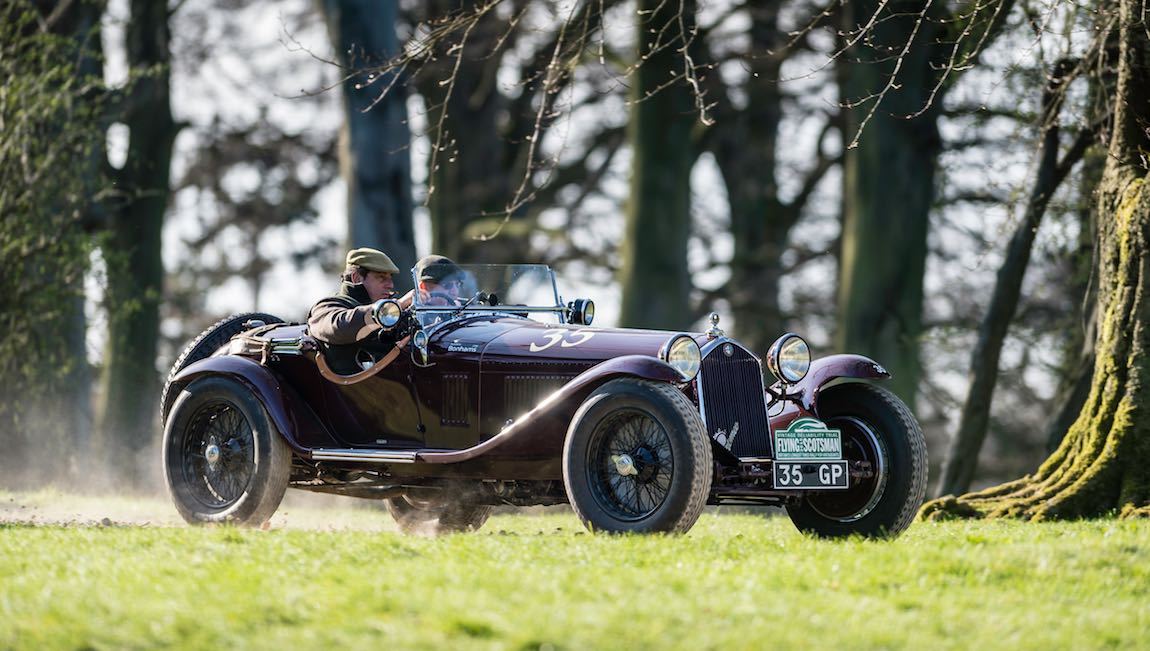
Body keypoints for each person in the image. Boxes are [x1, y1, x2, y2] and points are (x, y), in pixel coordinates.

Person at [307, 247, 413, 374]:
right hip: (348, 390)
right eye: (381, 277)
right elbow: (341, 328)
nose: (390, 285)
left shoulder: (393, 311)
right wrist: (395, 306)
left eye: (390, 278)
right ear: (356, 278)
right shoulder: (326, 308)